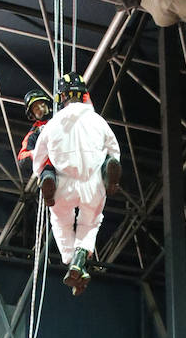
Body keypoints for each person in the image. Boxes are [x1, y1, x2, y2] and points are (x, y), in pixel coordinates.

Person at [31, 72, 121, 296]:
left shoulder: (52, 124)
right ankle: (79, 260)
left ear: (62, 96)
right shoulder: (98, 121)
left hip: (63, 184)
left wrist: (44, 173)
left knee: (61, 223)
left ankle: (72, 260)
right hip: (93, 184)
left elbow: (38, 160)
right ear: (83, 94)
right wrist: (109, 165)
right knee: (90, 223)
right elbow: (115, 151)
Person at [16, 87, 52, 177]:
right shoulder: (34, 134)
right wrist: (41, 151)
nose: (40, 109)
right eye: (36, 108)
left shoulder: (61, 115)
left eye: (42, 104)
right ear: (32, 114)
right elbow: (22, 158)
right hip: (53, 168)